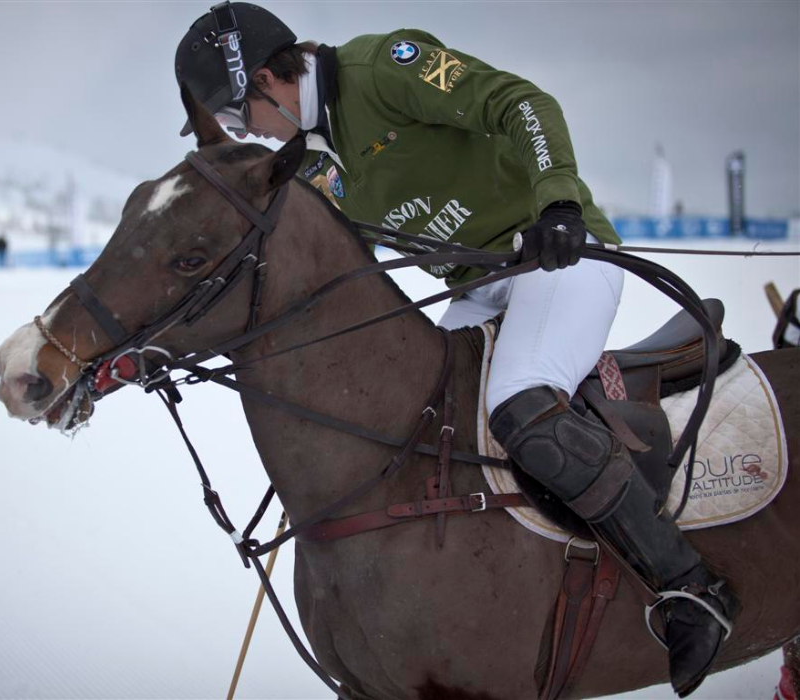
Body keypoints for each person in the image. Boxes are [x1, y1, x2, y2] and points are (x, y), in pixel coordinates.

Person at [174, 4, 736, 697]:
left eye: (238, 115)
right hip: (482, 285)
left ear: (266, 78)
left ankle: (689, 587)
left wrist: (557, 202)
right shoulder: (314, 162)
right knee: (415, 421)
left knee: (519, 403)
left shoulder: (383, 67)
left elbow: (521, 103)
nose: (246, 131)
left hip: (559, 259)